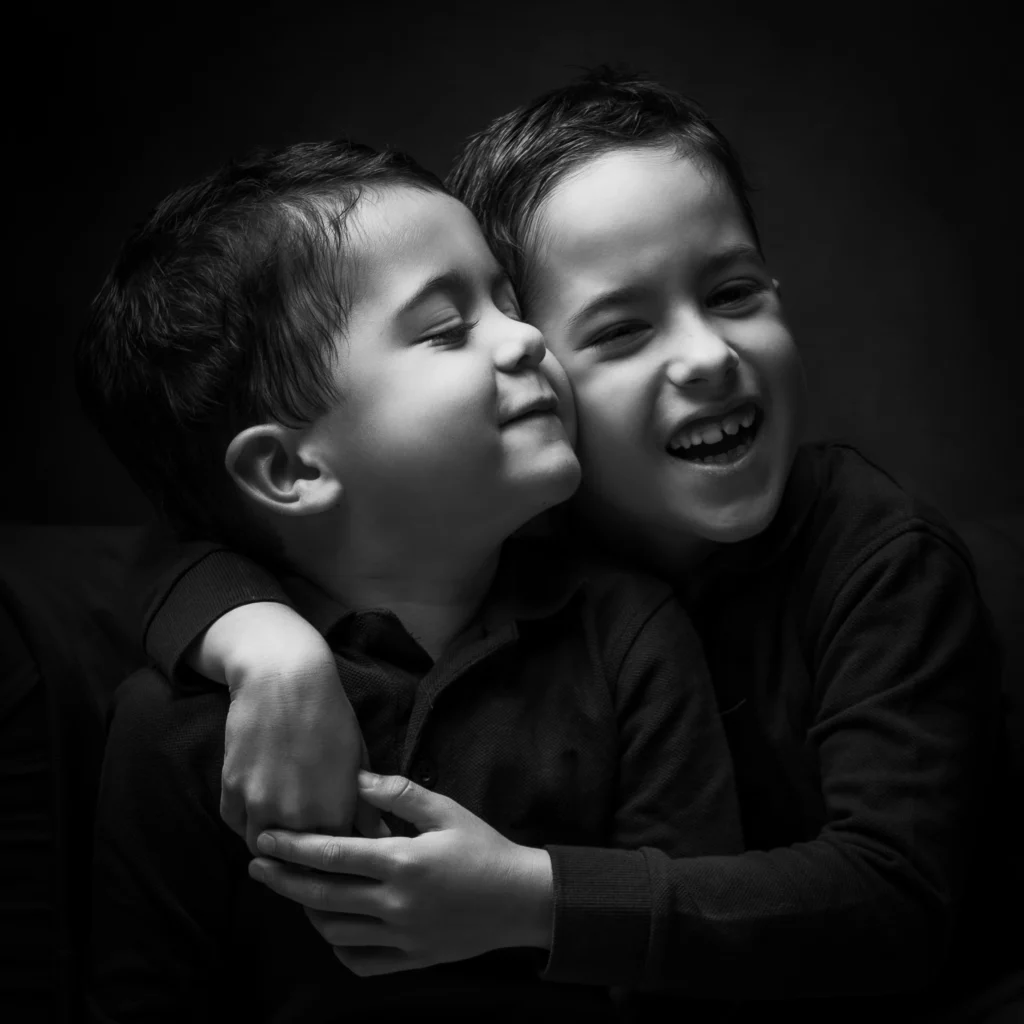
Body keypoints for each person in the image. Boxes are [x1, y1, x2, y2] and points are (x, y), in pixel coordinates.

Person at [133, 69, 1005, 1021]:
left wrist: (535, 898)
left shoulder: (875, 556)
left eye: (736, 291)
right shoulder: (505, 523)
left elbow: (897, 904)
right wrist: (270, 649)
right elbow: (139, 560)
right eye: (622, 328)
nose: (710, 356)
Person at [78, 137, 743, 1022]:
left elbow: (704, 950)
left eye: (508, 302)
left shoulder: (625, 634)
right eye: (445, 329)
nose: (530, 338)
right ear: (290, 471)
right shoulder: (180, 730)